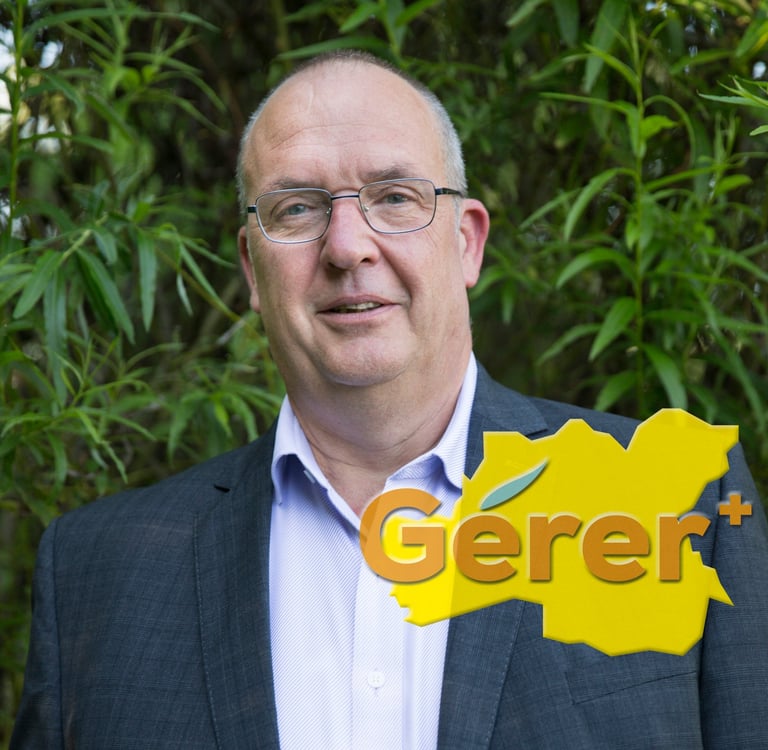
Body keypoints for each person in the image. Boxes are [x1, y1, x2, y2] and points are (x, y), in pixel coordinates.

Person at [11, 50, 768, 749]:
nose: (347, 247)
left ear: (467, 242)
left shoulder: (674, 505)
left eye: (396, 197)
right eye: (297, 208)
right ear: (250, 266)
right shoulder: (95, 574)